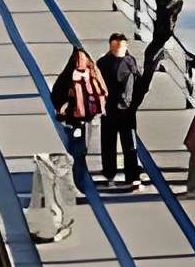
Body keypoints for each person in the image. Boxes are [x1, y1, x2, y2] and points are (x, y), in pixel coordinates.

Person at [49, 45, 105, 205]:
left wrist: (61, 110)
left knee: (76, 153)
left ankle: (76, 185)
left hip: (76, 121)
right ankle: (79, 184)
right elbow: (103, 92)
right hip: (85, 120)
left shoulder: (69, 76)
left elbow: (56, 96)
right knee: (79, 153)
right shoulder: (91, 72)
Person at [98, 31, 142, 189]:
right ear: (110, 46)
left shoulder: (131, 62)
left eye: (121, 46)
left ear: (126, 46)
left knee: (130, 144)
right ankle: (109, 175)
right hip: (108, 109)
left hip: (127, 111)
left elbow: (137, 83)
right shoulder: (102, 63)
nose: (118, 49)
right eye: (115, 46)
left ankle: (132, 176)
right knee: (108, 144)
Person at [140, 0, 184, 94]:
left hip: (164, 30)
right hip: (160, 28)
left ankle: (145, 83)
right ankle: (145, 80)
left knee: (150, 54)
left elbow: (163, 5)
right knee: (151, 54)